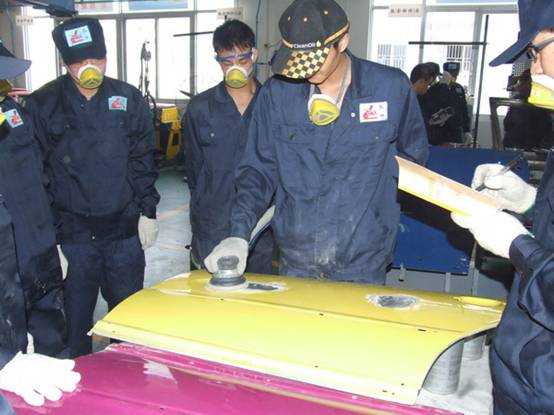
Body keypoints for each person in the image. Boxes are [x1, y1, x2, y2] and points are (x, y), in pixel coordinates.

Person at [205, 0, 429, 284]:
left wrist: (378, 214)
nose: (305, 70)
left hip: (363, 259)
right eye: (297, 59)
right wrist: (238, 233)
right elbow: (257, 170)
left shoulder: (389, 88)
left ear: (342, 41)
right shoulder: (278, 95)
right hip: (297, 258)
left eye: (315, 59)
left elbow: (413, 161)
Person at [25, 17, 160, 357]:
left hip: (123, 234)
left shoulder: (128, 98)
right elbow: (36, 176)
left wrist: (148, 211)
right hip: (73, 238)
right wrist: (49, 238)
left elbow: (143, 158)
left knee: (128, 326)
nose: (90, 68)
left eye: (96, 59)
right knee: (73, 328)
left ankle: (128, 380)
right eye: (80, 61)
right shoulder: (43, 104)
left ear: (106, 57)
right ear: (65, 63)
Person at [451, 1, 554, 413]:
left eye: (537, 51)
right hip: (528, 368)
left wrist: (517, 245)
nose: (534, 68)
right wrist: (528, 202)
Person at [0, 42, 80, 410]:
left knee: (53, 353)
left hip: (37, 250)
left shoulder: (14, 116)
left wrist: (53, 240)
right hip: (5, 275)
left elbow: (42, 178)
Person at [183, 20, 274, 274]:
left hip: (259, 228)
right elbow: (193, 169)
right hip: (212, 225)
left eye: (242, 59)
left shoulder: (272, 105)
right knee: (207, 294)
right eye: (227, 61)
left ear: (254, 55)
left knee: (257, 291)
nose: (235, 68)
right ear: (218, 60)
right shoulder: (200, 108)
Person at [442, 61, 472, 143]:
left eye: (455, 75)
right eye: (451, 75)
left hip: (456, 131)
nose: (453, 77)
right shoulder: (437, 89)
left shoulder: (459, 88)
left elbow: (464, 110)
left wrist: (467, 131)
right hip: (441, 130)